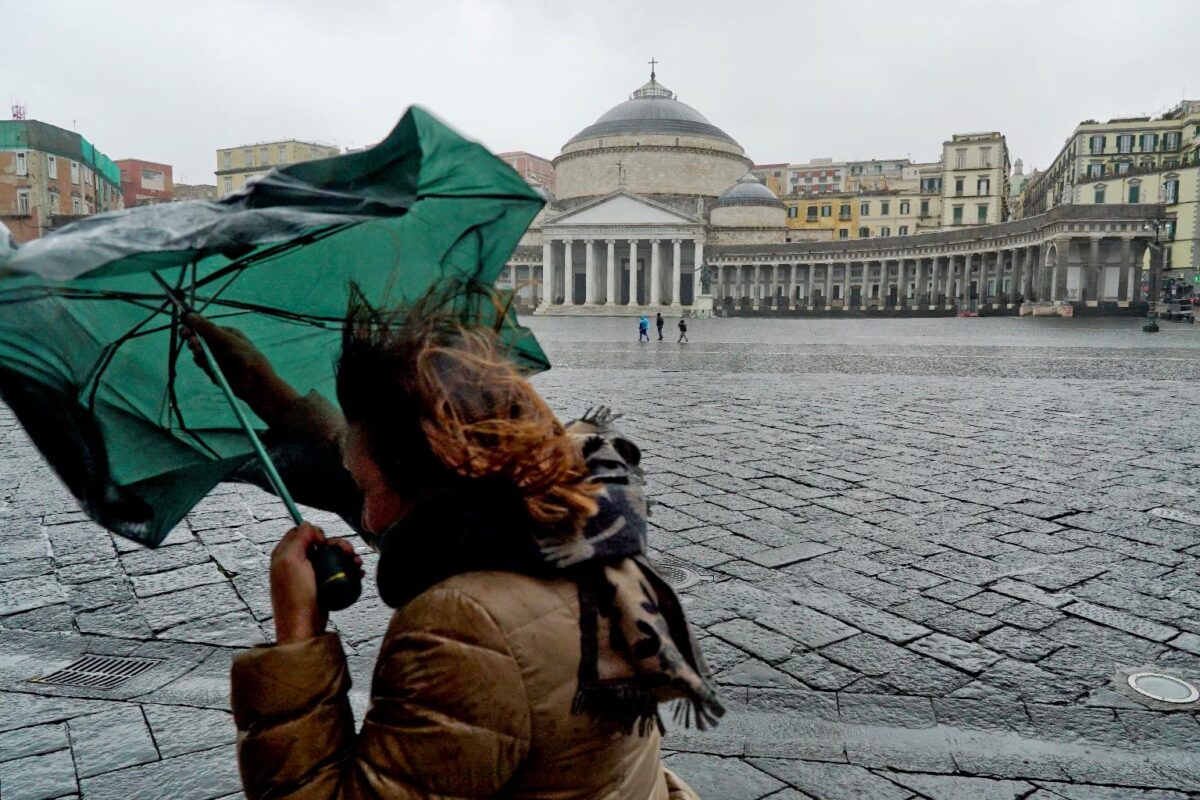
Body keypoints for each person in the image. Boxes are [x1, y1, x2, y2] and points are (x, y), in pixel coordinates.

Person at [182, 287, 719, 800]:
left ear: (424, 486)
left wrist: (296, 639)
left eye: (367, 490)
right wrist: (260, 384)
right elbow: (362, 456)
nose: (364, 516)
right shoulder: (563, 515)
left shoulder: (463, 627)